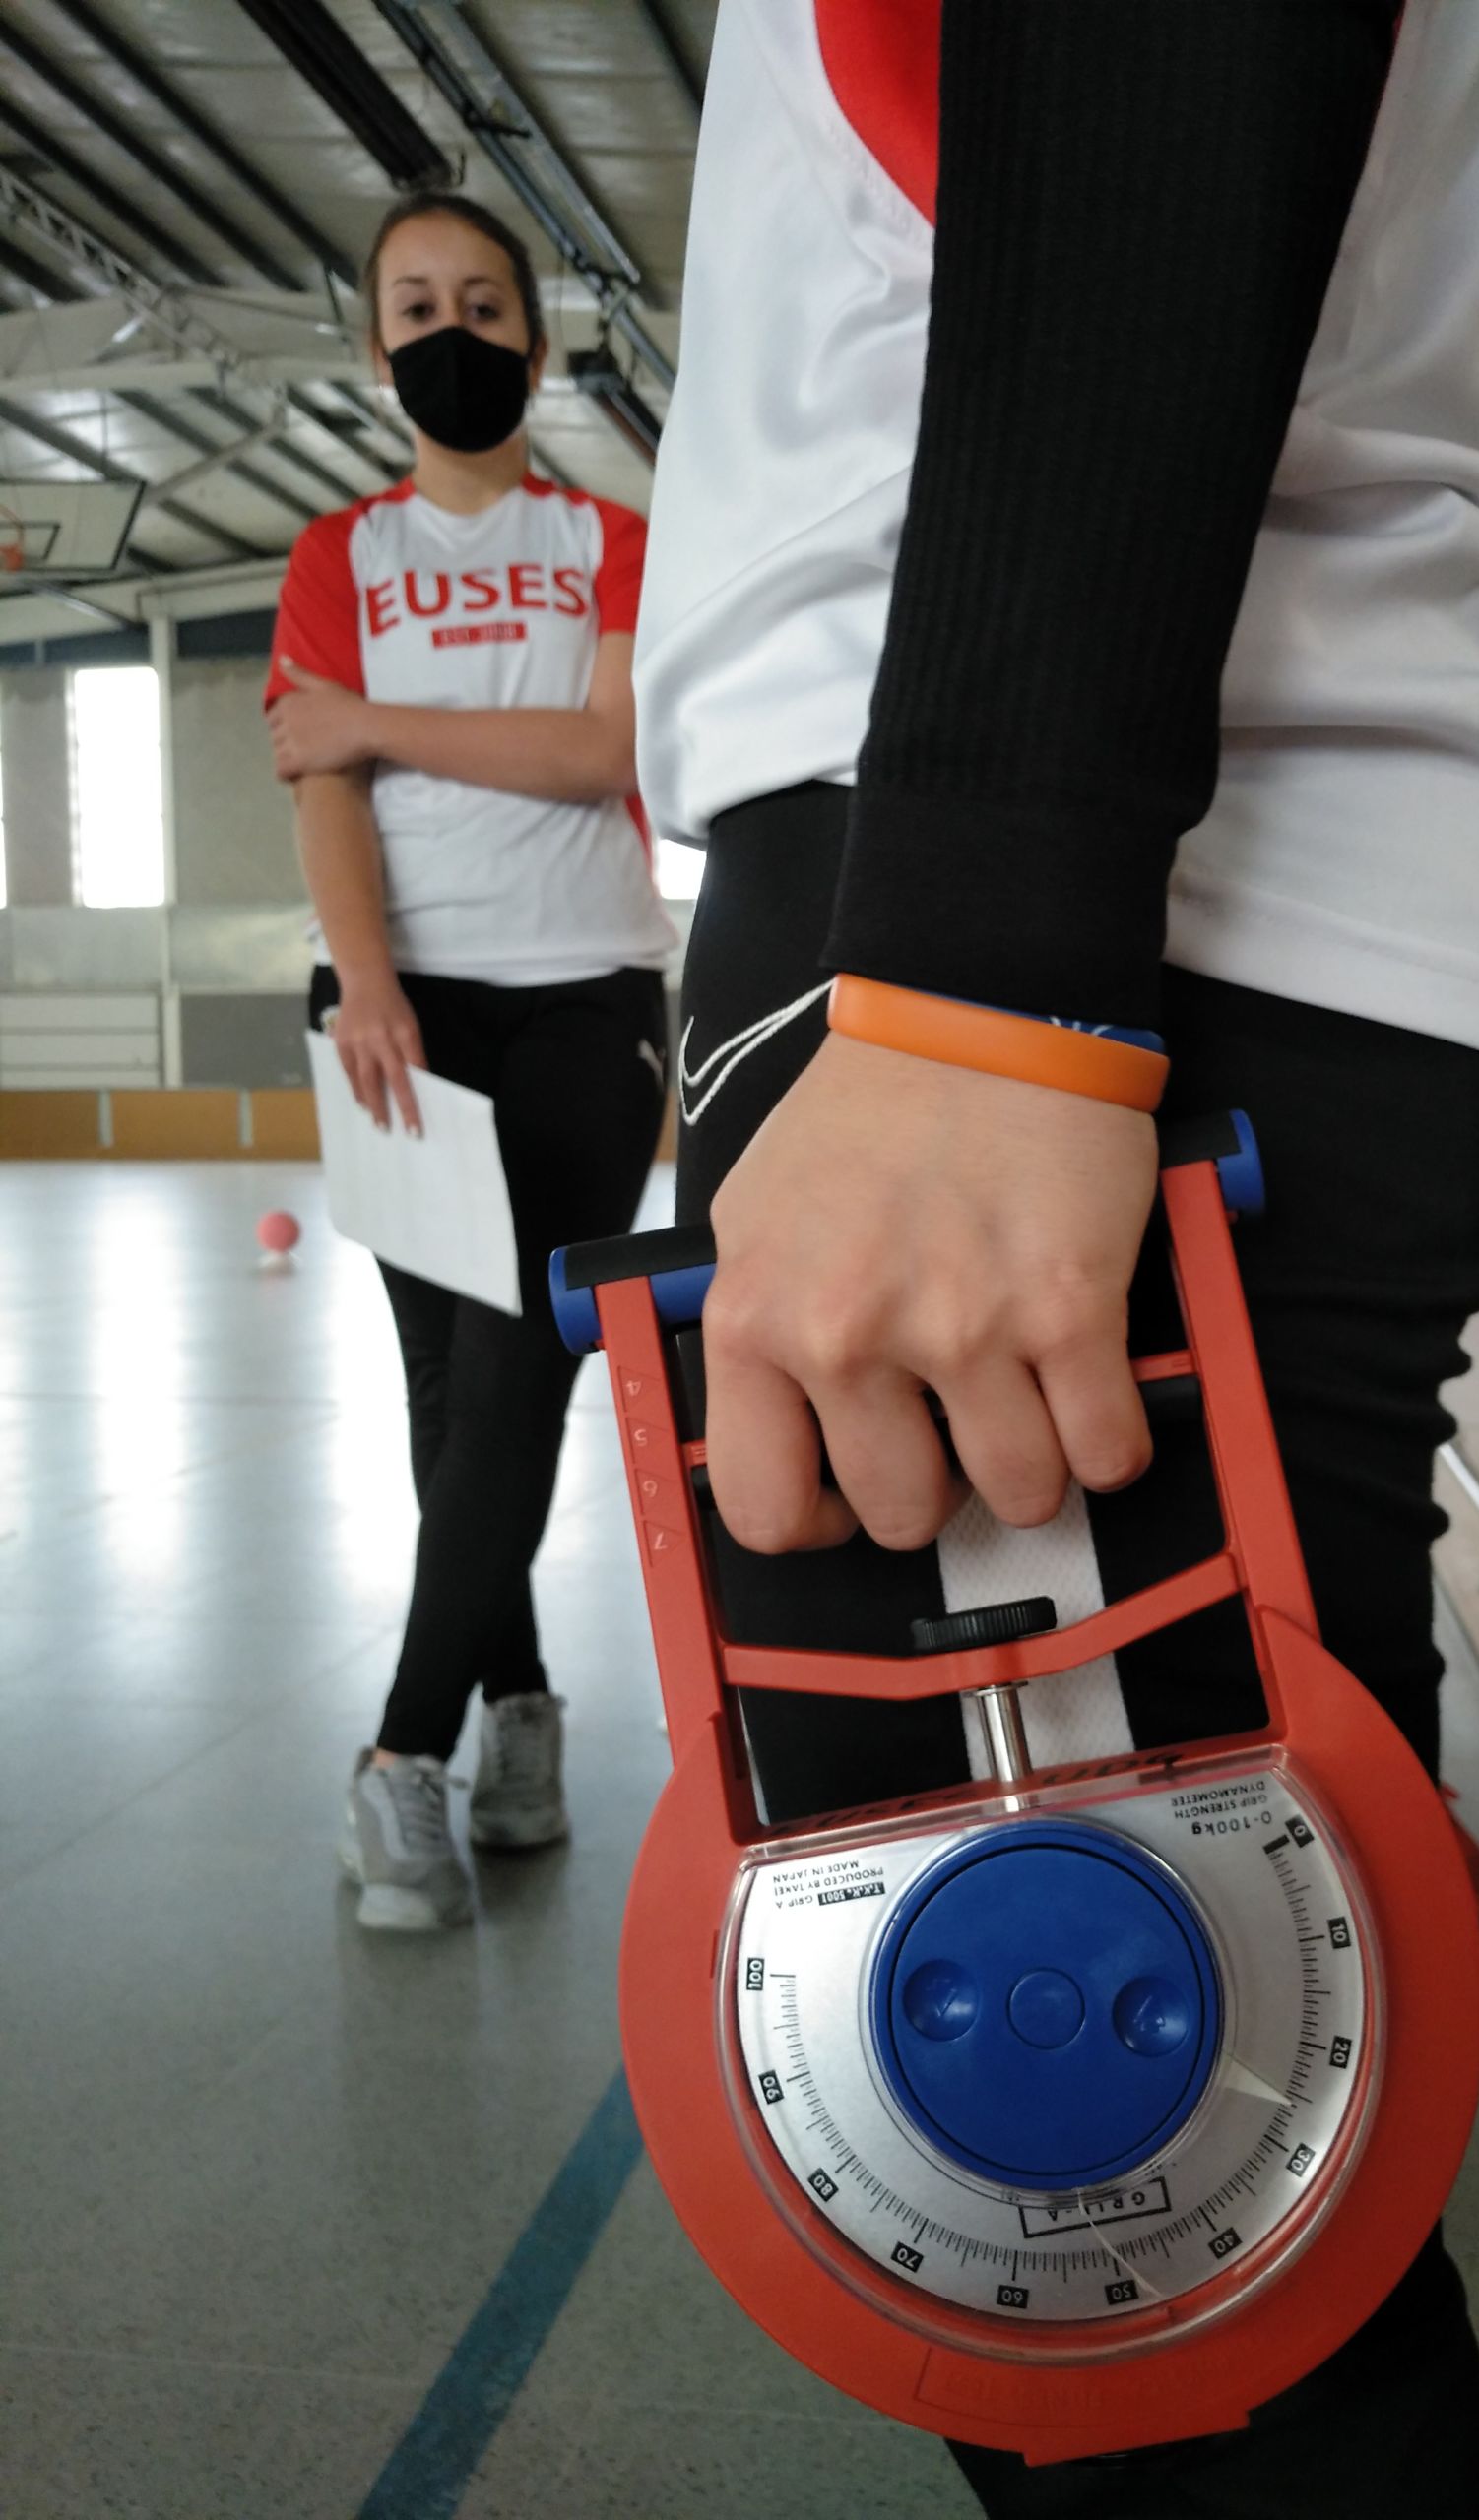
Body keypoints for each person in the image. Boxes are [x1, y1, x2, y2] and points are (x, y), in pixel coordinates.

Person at [636, 2, 1479, 2511]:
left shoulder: (1006, 943)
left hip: (1073, 897)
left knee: (1151, 2335)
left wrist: (990, 967)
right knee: (1197, 2295)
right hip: (1203, 871)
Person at [265, 192, 674, 1933]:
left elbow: (601, 752)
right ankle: (522, 1720)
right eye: (418, 305)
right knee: (448, 1393)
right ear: (380, 350)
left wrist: (371, 718)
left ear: (535, 339)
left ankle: (400, 1758)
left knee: (518, 1369)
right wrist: (366, 986)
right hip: (399, 1008)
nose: (454, 330)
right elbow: (323, 791)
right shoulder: (333, 559)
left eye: (485, 303)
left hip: (584, 998)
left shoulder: (614, 540)